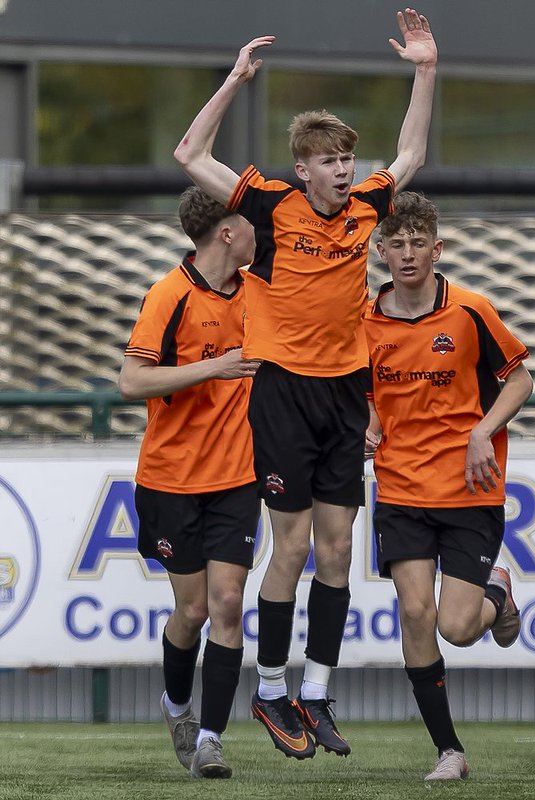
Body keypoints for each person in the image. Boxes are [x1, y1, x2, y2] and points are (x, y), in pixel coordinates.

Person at [172, 9, 437, 759]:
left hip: (344, 390)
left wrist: (424, 70)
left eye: (349, 158)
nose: (345, 169)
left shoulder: (366, 208)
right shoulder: (266, 204)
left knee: (336, 550)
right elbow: (189, 152)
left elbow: (411, 152)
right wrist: (234, 80)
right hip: (283, 388)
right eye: (330, 160)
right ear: (304, 169)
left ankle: (316, 693)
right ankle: (270, 690)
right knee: (288, 549)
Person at [363, 192, 531, 780]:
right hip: (401, 488)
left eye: (418, 243)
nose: (407, 254)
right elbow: (367, 398)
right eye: (396, 244)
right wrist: (369, 424)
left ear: (437, 249)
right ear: (379, 250)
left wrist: (484, 429)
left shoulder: (470, 310)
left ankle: (498, 594)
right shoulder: (365, 320)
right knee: (414, 612)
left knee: (455, 629)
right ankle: (449, 752)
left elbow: (521, 381)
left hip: (469, 488)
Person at [119, 187, 261, 779]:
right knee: (195, 608)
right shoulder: (169, 295)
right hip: (172, 478)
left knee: (229, 602)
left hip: (239, 477)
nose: (262, 235)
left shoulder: (263, 294)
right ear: (227, 233)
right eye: (252, 225)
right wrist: (216, 366)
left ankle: (210, 737)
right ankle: (176, 704)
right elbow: (131, 382)